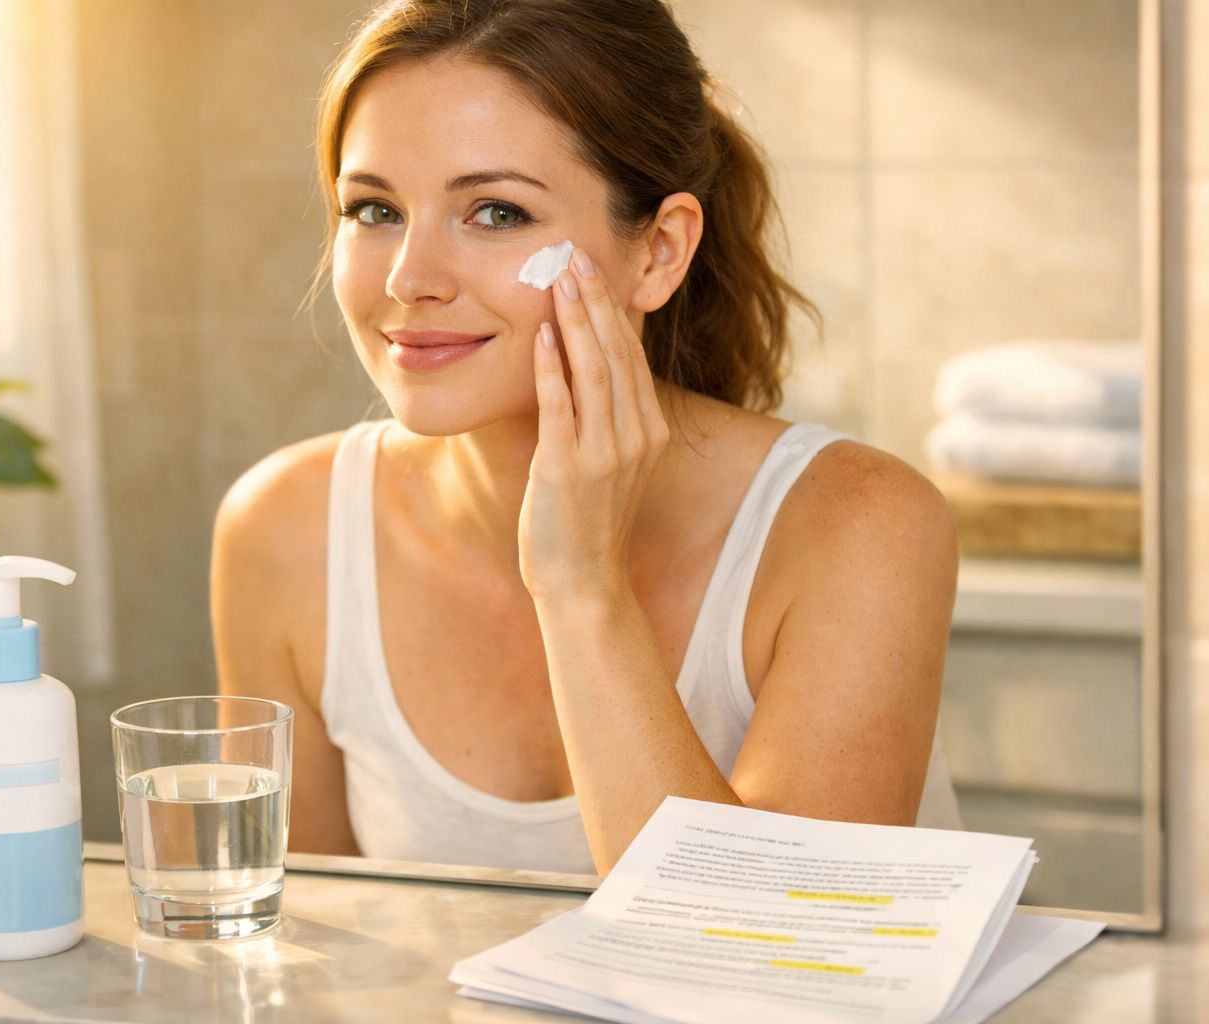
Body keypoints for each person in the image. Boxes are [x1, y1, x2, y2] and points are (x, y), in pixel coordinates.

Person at [211, 0, 961, 876]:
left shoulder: (859, 527)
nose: (410, 280)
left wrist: (579, 586)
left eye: (496, 213)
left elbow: (759, 964)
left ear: (660, 252)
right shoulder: (284, 531)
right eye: (374, 210)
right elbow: (313, 953)